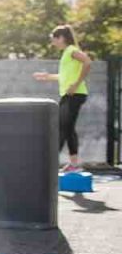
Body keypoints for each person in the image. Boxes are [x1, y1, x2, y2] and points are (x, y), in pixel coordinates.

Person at [33, 24, 92, 172]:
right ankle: (72, 164)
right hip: (70, 94)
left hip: (75, 94)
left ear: (62, 38)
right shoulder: (66, 53)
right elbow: (64, 76)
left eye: (54, 39)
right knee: (66, 127)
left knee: (64, 127)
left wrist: (75, 84)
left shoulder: (71, 50)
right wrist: (48, 77)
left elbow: (87, 62)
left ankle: (55, 161)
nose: (53, 43)